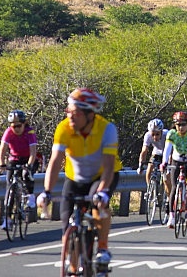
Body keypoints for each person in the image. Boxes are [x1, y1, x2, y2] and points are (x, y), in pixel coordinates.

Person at [38, 88, 122, 275]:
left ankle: (102, 248)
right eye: (68, 112)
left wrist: (102, 192)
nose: (70, 117)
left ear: (90, 114)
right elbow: (55, 161)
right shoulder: (64, 128)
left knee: (99, 204)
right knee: (67, 227)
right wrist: (47, 191)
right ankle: (75, 269)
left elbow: (108, 167)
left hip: (102, 176)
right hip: (74, 179)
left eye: (75, 113)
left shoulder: (106, 129)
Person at [0, 109, 38, 228]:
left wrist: (29, 165)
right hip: (14, 158)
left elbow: (33, 152)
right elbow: (2, 150)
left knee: (26, 174)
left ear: (24, 123)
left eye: (18, 126)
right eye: (13, 126)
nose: (16, 128)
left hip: (28, 158)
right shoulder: (8, 132)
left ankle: (30, 196)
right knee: (10, 186)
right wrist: (1, 164)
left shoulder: (29, 132)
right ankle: (8, 219)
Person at [161, 111, 187, 228]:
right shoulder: (171, 134)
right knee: (173, 186)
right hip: (176, 159)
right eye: (178, 125)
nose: (181, 127)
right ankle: (172, 216)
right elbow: (167, 149)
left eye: (183, 125)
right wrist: (164, 163)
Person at [137, 118, 169, 199]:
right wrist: (140, 165)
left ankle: (167, 195)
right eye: (153, 134)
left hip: (167, 153)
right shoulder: (147, 135)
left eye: (157, 134)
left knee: (166, 175)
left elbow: (172, 150)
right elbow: (144, 151)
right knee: (149, 168)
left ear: (161, 132)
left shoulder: (167, 134)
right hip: (157, 152)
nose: (155, 137)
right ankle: (149, 190)